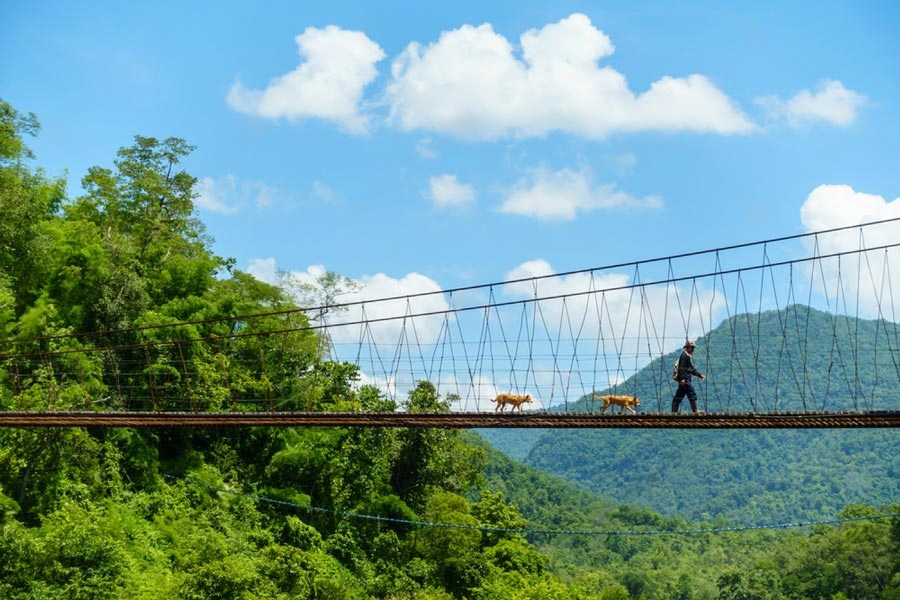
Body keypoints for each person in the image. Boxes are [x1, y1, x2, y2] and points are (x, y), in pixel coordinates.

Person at [672, 340, 705, 413]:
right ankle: (695, 410)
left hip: (684, 380)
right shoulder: (684, 356)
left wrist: (699, 375)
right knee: (691, 393)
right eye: (692, 347)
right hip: (685, 380)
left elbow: (691, 369)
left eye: (693, 348)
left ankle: (674, 412)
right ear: (688, 347)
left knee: (678, 396)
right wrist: (683, 379)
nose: (693, 349)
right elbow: (682, 368)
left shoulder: (687, 356)